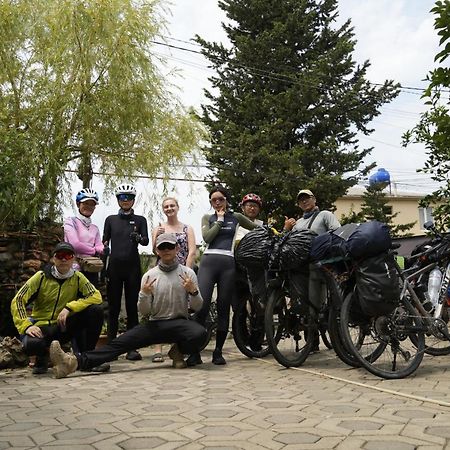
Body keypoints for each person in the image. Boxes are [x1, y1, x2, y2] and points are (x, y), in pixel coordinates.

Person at [49, 233, 207, 378]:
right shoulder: (150, 275)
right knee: (117, 345)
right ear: (157, 251)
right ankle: (71, 363)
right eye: (162, 247)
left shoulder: (188, 273)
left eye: (170, 246)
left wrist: (193, 291)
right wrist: (144, 294)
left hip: (179, 323)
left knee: (200, 333)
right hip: (155, 325)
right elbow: (144, 311)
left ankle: (178, 351)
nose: (166, 250)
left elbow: (198, 307)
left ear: (177, 248)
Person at [187, 186, 260, 367]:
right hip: (209, 262)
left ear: (227, 200)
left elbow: (255, 227)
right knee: (201, 307)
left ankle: (218, 352)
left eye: (220, 199)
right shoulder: (208, 218)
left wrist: (276, 230)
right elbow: (207, 238)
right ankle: (195, 352)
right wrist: (219, 221)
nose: (217, 202)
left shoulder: (235, 217)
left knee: (224, 307)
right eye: (214, 200)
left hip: (228, 263)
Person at [10, 242, 109, 375]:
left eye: (68, 256)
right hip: (41, 327)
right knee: (32, 345)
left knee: (95, 310)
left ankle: (88, 358)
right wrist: (27, 326)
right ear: (53, 259)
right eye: (60, 255)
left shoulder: (78, 277)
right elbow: (18, 300)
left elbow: (96, 296)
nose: (63, 259)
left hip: (63, 326)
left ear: (73, 259)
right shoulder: (41, 277)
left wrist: (69, 307)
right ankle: (42, 357)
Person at [284, 189, 340, 352]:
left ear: (314, 199)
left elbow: (336, 232)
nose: (304, 202)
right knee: (305, 305)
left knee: (319, 303)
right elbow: (288, 242)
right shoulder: (298, 223)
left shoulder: (325, 215)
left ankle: (339, 340)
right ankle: (312, 341)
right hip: (301, 267)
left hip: (321, 264)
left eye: (307, 198)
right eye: (301, 200)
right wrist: (287, 228)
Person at [103, 183, 149, 361]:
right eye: (122, 198)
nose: (126, 201)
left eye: (129, 198)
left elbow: (145, 241)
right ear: (118, 200)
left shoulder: (140, 220)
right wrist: (103, 253)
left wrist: (139, 238)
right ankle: (111, 348)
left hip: (133, 268)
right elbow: (104, 243)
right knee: (113, 308)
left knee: (132, 308)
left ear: (133, 200)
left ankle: (132, 348)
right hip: (114, 268)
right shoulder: (110, 219)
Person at [150, 196, 196, 363]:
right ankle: (157, 348)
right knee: (159, 306)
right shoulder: (159, 228)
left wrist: (187, 271)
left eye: (172, 206)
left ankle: (178, 347)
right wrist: (157, 237)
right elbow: (155, 250)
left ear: (178, 207)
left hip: (182, 272)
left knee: (181, 308)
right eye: (166, 206)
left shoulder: (187, 228)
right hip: (163, 271)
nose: (169, 208)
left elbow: (192, 251)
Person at [64, 188, 106, 287]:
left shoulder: (94, 228)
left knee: (90, 299)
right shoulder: (70, 221)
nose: (89, 207)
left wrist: (104, 249)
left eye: (92, 204)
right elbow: (75, 245)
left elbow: (99, 245)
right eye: (86, 203)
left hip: (91, 267)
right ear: (78, 204)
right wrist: (94, 251)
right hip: (74, 268)